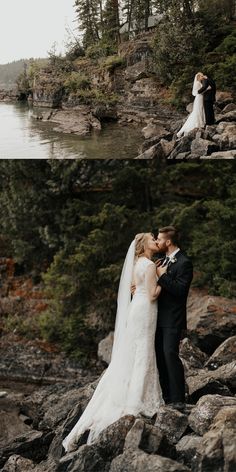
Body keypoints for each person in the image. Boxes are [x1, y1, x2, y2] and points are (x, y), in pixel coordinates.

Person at [62, 233, 164, 452]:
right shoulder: (148, 266)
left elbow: (134, 288)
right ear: (143, 244)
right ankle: (136, 400)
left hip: (136, 308)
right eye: (151, 238)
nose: (155, 240)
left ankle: (130, 392)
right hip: (146, 309)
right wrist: (161, 276)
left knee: (134, 351)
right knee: (143, 351)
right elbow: (154, 295)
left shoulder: (137, 263)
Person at [155, 226, 193, 411]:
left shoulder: (184, 262)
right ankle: (167, 396)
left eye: (159, 239)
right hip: (155, 318)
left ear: (168, 242)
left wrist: (162, 277)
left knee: (170, 355)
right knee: (160, 357)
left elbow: (180, 291)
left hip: (173, 318)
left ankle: (178, 399)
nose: (157, 242)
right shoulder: (160, 260)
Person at [177, 72, 206, 138]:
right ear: (198, 77)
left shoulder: (199, 83)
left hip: (200, 97)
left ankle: (200, 122)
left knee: (200, 109)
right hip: (199, 97)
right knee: (198, 110)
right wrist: (207, 89)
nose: (202, 77)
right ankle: (198, 124)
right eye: (201, 76)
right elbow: (199, 91)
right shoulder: (198, 83)